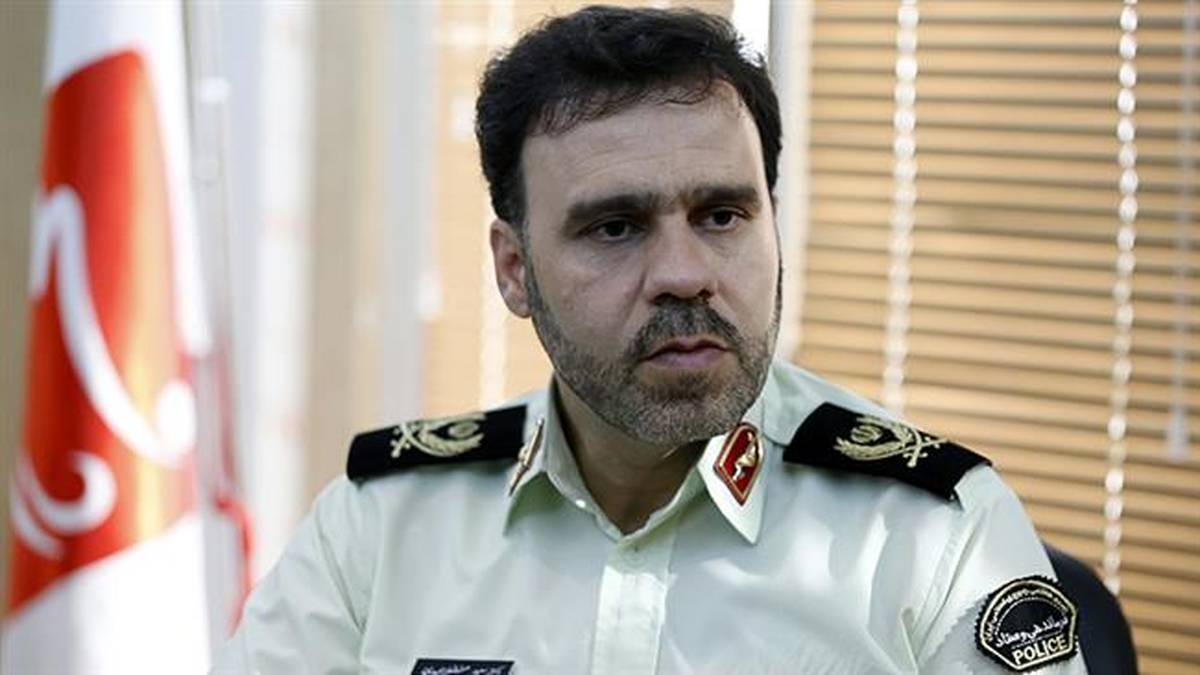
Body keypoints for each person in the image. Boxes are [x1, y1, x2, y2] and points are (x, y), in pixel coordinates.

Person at [214, 6, 1089, 674]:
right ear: (514, 269)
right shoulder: (380, 528)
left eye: (722, 215)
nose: (683, 273)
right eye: (616, 227)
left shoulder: (931, 535)